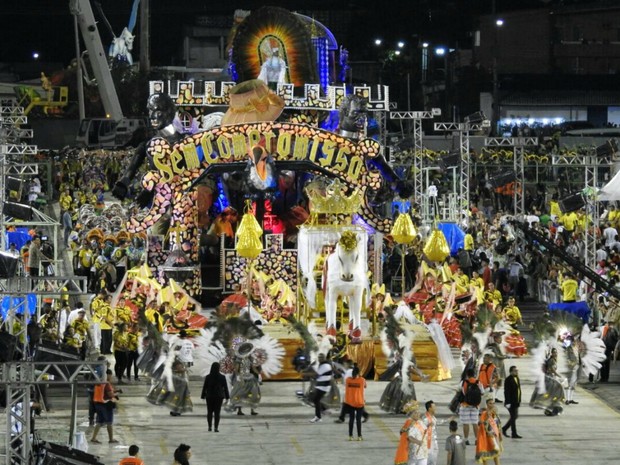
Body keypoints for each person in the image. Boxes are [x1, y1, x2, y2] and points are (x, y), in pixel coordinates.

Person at [90, 369, 120, 444]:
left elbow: (102, 392)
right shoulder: (106, 383)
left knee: (100, 422)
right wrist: (116, 395)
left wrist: (114, 391)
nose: (111, 377)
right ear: (107, 375)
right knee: (109, 422)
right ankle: (111, 439)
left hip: (97, 404)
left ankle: (93, 438)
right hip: (106, 405)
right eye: (110, 375)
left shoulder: (98, 382)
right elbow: (110, 394)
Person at [201, 362, 229, 432]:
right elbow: (225, 387)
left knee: (209, 412)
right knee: (217, 412)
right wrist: (227, 397)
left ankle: (209, 426)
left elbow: (205, 387)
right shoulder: (222, 377)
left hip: (210, 396)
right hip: (219, 396)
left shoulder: (208, 377)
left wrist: (203, 396)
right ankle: (216, 427)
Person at [475, 398, 503, 464]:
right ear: (487, 404)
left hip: (494, 437)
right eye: (490, 403)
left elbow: (498, 425)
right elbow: (480, 423)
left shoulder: (495, 414)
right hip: (486, 437)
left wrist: (500, 434)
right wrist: (487, 417)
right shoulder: (484, 413)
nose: (492, 405)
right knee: (485, 454)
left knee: (496, 453)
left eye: (493, 403)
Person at [459, 368, 483, 445]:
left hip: (465, 405)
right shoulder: (478, 382)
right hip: (475, 406)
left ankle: (466, 440)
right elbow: (482, 392)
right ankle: (476, 440)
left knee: (466, 423)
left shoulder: (464, 382)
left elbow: (462, 392)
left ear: (467, 375)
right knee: (475, 423)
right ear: (474, 374)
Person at [344, 366, 366, 441]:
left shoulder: (348, 380)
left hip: (350, 402)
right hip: (359, 402)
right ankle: (359, 436)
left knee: (351, 419)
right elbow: (365, 386)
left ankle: (350, 436)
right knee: (358, 420)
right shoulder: (362, 380)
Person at [309, 352, 333, 423]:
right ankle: (324, 410)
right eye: (319, 357)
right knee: (315, 399)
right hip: (321, 385)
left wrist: (305, 374)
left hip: (324, 386)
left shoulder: (325, 366)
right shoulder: (322, 365)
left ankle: (318, 417)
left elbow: (317, 375)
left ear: (324, 358)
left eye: (321, 357)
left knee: (315, 399)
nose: (320, 359)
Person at [394, 401, 418, 465]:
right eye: (415, 413)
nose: (417, 414)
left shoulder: (409, 420)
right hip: (406, 443)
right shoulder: (411, 421)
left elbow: (401, 431)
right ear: (412, 414)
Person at [502, 366, 522, 439]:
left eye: (517, 370)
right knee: (513, 417)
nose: (516, 372)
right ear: (511, 371)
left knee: (515, 416)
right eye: (515, 371)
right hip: (511, 402)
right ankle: (514, 433)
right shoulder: (508, 379)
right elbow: (506, 392)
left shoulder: (517, 378)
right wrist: (508, 402)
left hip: (516, 401)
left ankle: (504, 429)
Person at [422, 400, 438, 465]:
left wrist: (448, 420)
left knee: (433, 461)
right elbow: (421, 430)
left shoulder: (433, 417)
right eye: (434, 407)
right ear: (429, 408)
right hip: (428, 444)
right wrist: (427, 426)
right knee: (428, 461)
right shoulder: (425, 419)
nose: (435, 408)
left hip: (434, 443)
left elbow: (437, 423)